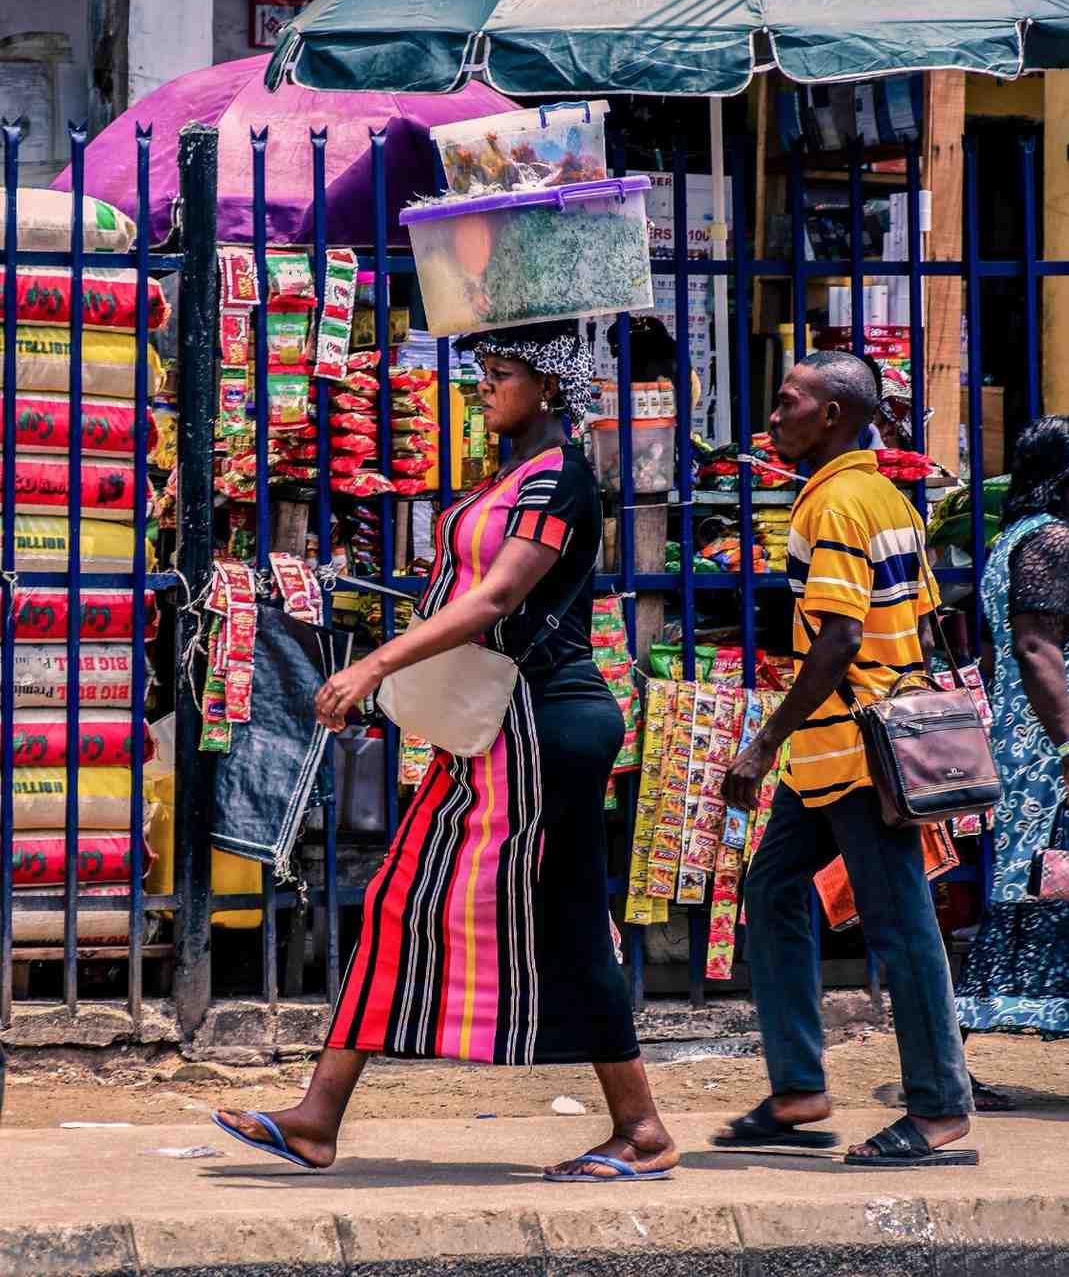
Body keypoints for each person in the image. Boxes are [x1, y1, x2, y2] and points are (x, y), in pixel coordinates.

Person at [213, 322, 678, 1184]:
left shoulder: (562, 481)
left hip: (544, 727)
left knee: (569, 923)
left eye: (499, 375)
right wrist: (392, 690)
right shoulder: (506, 477)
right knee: (400, 899)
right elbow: (455, 595)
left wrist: (376, 666)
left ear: (546, 388)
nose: (482, 389)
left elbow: (498, 594)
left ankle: (642, 1128)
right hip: (488, 725)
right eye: (481, 373)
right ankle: (317, 1118)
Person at [715, 350, 977, 1167]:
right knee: (772, 888)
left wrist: (761, 744)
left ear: (831, 415)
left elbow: (838, 638)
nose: (771, 416)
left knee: (902, 931)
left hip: (858, 752)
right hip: (849, 749)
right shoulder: (885, 495)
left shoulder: (831, 507)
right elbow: (927, 617)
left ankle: (938, 1109)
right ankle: (798, 1086)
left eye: (786, 401)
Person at [955, 416, 1069, 1095]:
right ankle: (944, 1065)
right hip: (1046, 757)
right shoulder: (1050, 542)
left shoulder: (1012, 541)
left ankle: (947, 1063)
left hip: (1027, 744)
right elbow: (1033, 649)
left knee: (1024, 892)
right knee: (1029, 890)